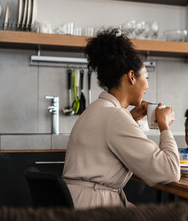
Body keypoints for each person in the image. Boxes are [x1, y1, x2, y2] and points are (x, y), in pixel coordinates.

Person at [62, 28, 180, 209]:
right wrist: (164, 126)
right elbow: (169, 171)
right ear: (132, 77)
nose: (147, 85)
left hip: (79, 203)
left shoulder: (97, 109)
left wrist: (129, 119)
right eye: (146, 77)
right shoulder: (115, 116)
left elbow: (108, 137)